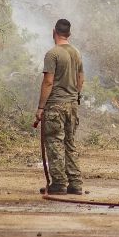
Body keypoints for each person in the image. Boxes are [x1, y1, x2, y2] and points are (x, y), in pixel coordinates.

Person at [36, 19, 85, 195]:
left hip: (56, 105)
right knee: (69, 143)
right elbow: (81, 79)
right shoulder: (76, 52)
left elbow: (48, 82)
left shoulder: (52, 54)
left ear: (54, 32)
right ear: (69, 34)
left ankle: (58, 183)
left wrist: (41, 108)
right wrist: (74, 96)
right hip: (72, 105)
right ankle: (75, 183)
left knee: (54, 142)